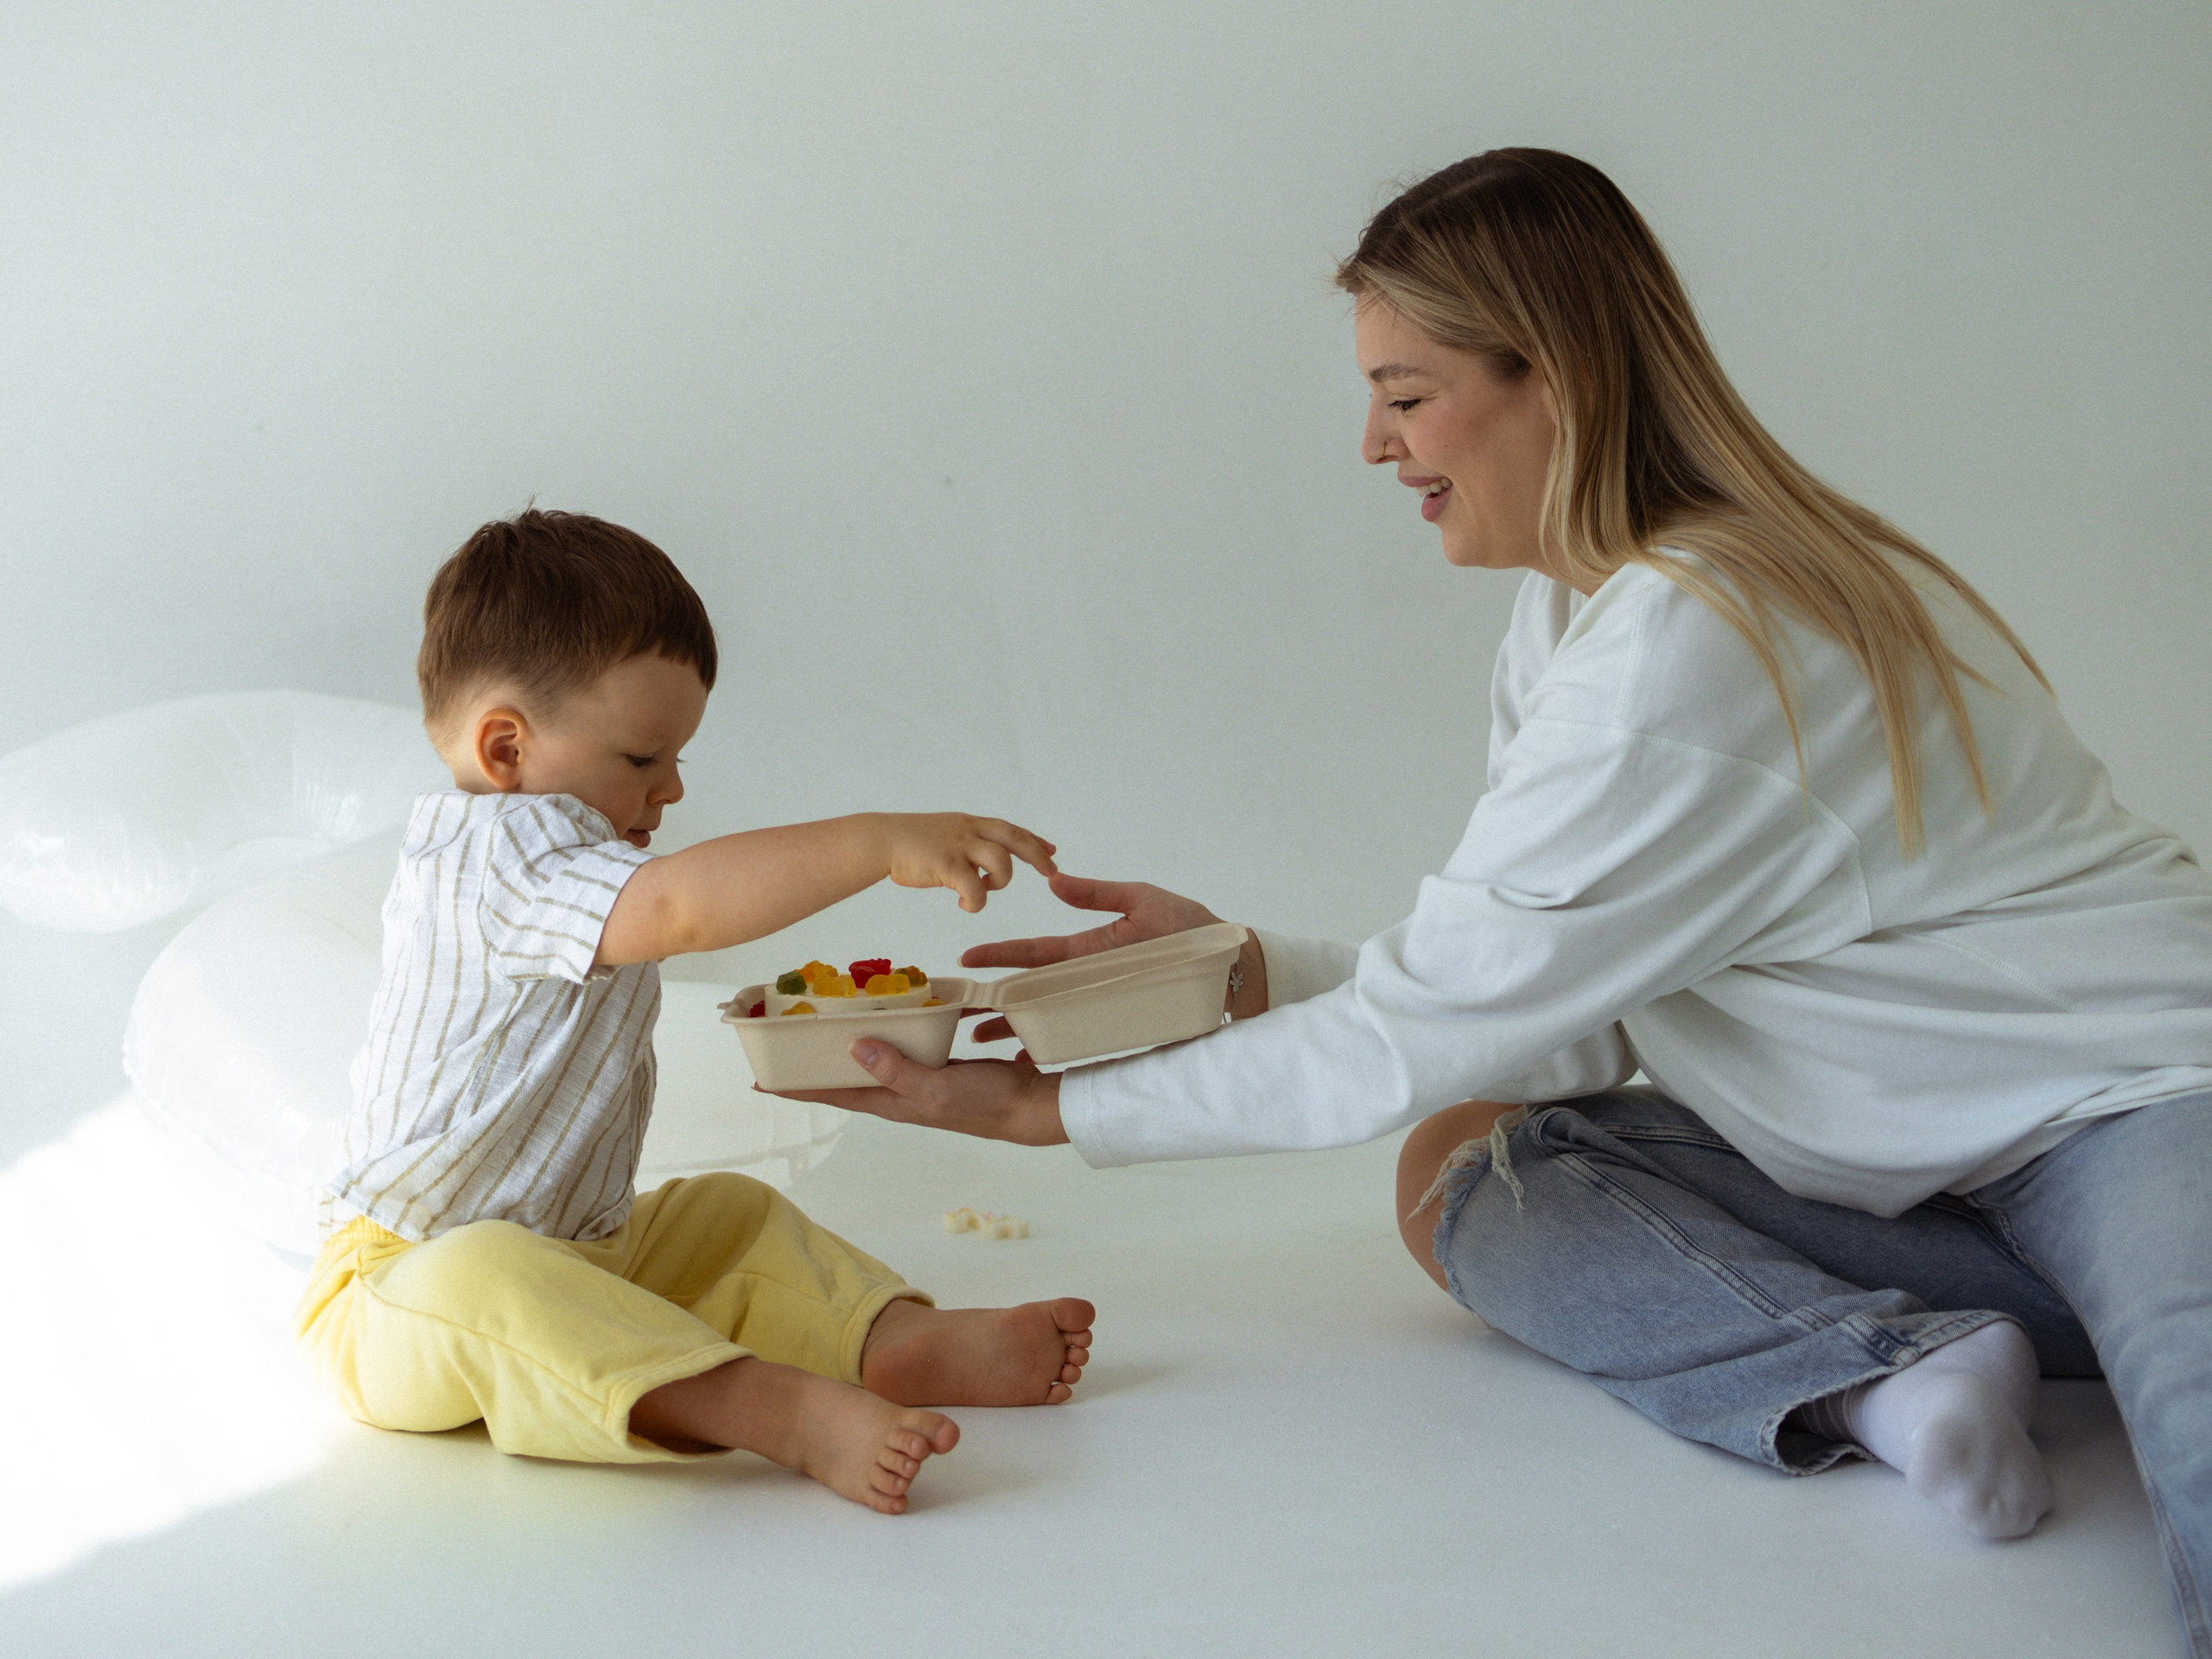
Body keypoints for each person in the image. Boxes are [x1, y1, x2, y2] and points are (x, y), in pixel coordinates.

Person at [785, 150, 2212, 1643]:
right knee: (1472, 1165)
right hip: (1917, 1185)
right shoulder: (1574, 621)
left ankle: (1955, 1350)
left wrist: (1050, 1116)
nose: (1372, 443)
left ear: (1561, 381)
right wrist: (1244, 968)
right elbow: (1546, 1026)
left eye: (1407, 396)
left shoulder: (1696, 643)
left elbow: (1430, 1024)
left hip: (2134, 1115)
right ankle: (1884, 1370)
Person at [293, 508, 1094, 1514]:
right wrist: (878, 841)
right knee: (486, 1273)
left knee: (728, 1216)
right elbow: (680, 907)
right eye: (641, 759)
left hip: (583, 1251)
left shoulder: (571, 867)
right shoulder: (488, 861)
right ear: (505, 748)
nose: (670, 789)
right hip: (397, 1292)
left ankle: (891, 1341)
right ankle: (768, 1408)